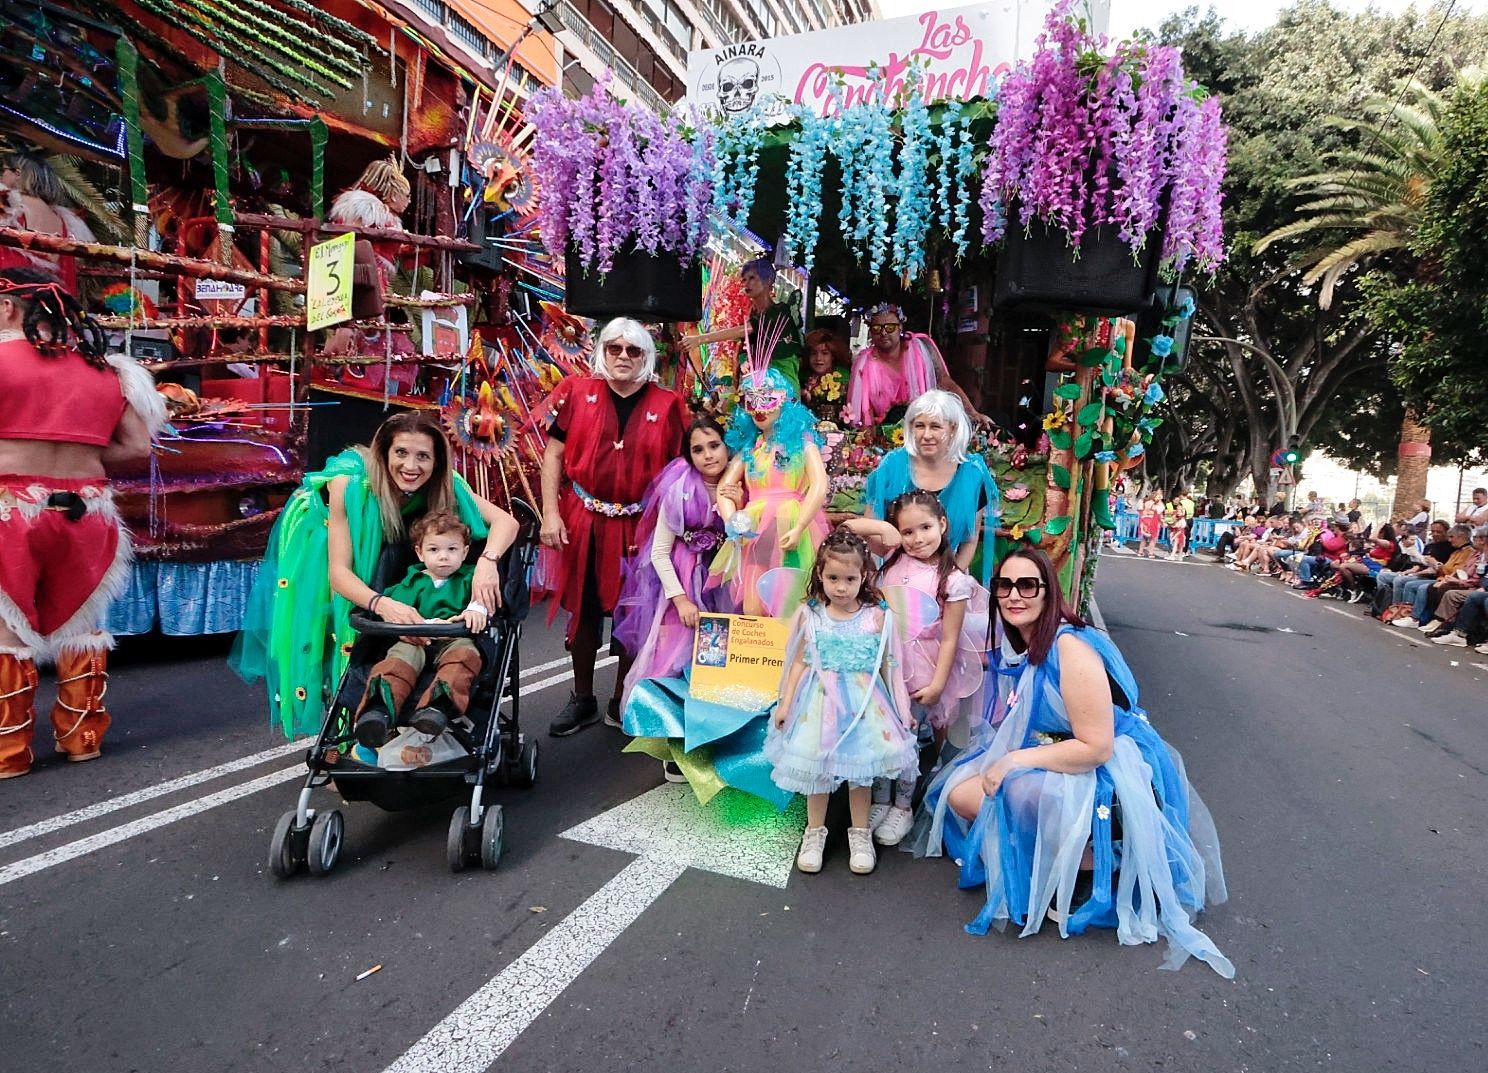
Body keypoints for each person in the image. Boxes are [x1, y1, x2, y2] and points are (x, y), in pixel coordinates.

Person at [909, 548, 1233, 977]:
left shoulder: (1070, 647)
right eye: (1005, 586)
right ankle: (1064, 845)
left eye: (1028, 585)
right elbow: (988, 663)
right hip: (1062, 748)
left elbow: (1096, 746)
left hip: (1108, 763)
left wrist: (1014, 760)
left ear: (1048, 592)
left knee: (1006, 788)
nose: (1013, 596)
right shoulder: (1027, 641)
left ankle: (1101, 861)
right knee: (963, 795)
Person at [232, 411, 518, 738]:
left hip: (397, 546)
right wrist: (385, 605)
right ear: (384, 454)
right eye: (401, 453)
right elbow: (339, 574)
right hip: (328, 542)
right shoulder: (350, 486)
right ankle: (352, 730)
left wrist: (487, 562)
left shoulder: (447, 485)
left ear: (437, 462)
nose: (411, 466)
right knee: (339, 632)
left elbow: (506, 522)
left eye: (423, 456)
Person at [0, 268, 164, 778]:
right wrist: (79, 450)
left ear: (8, 307)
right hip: (87, 511)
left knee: (6, 632)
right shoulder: (107, 370)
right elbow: (138, 445)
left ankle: (8, 754)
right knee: (82, 624)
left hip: (10, 509)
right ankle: (82, 739)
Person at [539, 317, 688, 735]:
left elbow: (682, 468)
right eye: (614, 348)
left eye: (633, 350)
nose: (622, 357)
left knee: (633, 614)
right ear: (601, 351)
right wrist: (550, 512)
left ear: (646, 356)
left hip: (642, 524)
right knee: (583, 611)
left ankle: (623, 698)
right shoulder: (577, 392)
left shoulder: (669, 403)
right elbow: (553, 455)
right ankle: (582, 697)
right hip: (583, 519)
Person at [767, 527, 918, 876]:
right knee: (815, 772)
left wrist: (902, 711)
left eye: (849, 578)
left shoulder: (877, 616)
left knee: (860, 774)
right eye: (833, 577)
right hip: (817, 704)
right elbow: (799, 662)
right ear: (820, 574)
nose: (840, 586)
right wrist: (786, 704)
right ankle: (814, 832)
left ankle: (860, 833)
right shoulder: (811, 614)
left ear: (863, 575)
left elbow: (889, 667)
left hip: (865, 705)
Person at [613, 416, 739, 783]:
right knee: (676, 663)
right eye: (697, 450)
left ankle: (715, 738)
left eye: (714, 445)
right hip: (686, 587)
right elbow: (660, 553)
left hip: (726, 585)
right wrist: (681, 599)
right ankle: (676, 745)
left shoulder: (739, 482)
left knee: (719, 664)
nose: (707, 455)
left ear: (726, 445)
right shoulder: (679, 490)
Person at [860, 492, 989, 847]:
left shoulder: (953, 581)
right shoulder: (890, 562)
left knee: (908, 739)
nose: (918, 539)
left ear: (943, 525)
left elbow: (950, 639)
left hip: (921, 671)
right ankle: (880, 799)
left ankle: (902, 805)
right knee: (882, 735)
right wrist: (886, 531)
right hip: (884, 667)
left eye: (926, 528)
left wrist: (937, 683)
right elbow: (853, 528)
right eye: (907, 531)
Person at [351, 511, 490, 748]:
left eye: (452, 550)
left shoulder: (470, 577)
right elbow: (394, 608)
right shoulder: (411, 581)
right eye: (434, 550)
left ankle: (437, 707)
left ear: (465, 552)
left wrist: (476, 610)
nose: (443, 557)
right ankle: (378, 709)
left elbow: (483, 598)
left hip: (455, 638)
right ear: (419, 552)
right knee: (397, 660)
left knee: (464, 658)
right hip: (415, 638)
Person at [712, 367, 828, 616]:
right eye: (751, 400)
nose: (759, 408)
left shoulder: (802, 443)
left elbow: (819, 485)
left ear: (783, 400)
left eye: (767, 399)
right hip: (754, 530)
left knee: (792, 601)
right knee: (752, 605)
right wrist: (732, 520)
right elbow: (723, 488)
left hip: (790, 524)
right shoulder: (751, 448)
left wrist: (799, 526)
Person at [862, 390, 1000, 585]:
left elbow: (970, 538)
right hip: (896, 575)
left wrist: (948, 582)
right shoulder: (892, 466)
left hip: (948, 575)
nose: (926, 435)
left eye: (935, 426)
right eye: (920, 426)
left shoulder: (972, 473)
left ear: (952, 429)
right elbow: (870, 528)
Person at [845, 302, 991, 428]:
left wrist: (972, 412)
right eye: (877, 328)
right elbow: (865, 409)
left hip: (923, 427)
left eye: (890, 327)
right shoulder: (864, 361)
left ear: (900, 327)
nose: (883, 333)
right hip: (883, 433)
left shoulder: (919, 348)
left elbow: (944, 381)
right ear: (870, 331)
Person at [0, 150, 96, 293]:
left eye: (4, 170)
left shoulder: (8, 205)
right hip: (52, 298)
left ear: (18, 174)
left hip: (12, 293)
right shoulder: (63, 219)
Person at [799, 328, 850, 426]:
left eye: (825, 353)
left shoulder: (845, 379)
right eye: (813, 353)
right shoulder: (800, 379)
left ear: (833, 356)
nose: (818, 358)